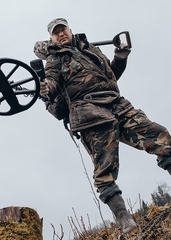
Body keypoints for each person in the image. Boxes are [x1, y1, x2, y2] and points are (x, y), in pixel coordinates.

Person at [33, 18, 171, 233]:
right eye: (55, 32)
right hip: (90, 114)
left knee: (160, 136)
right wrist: (41, 87)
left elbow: (110, 76)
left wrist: (120, 57)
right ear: (51, 37)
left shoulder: (91, 49)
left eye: (63, 30)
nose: (61, 34)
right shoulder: (54, 60)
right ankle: (125, 220)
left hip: (118, 105)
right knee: (105, 169)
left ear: (70, 30)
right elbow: (50, 86)